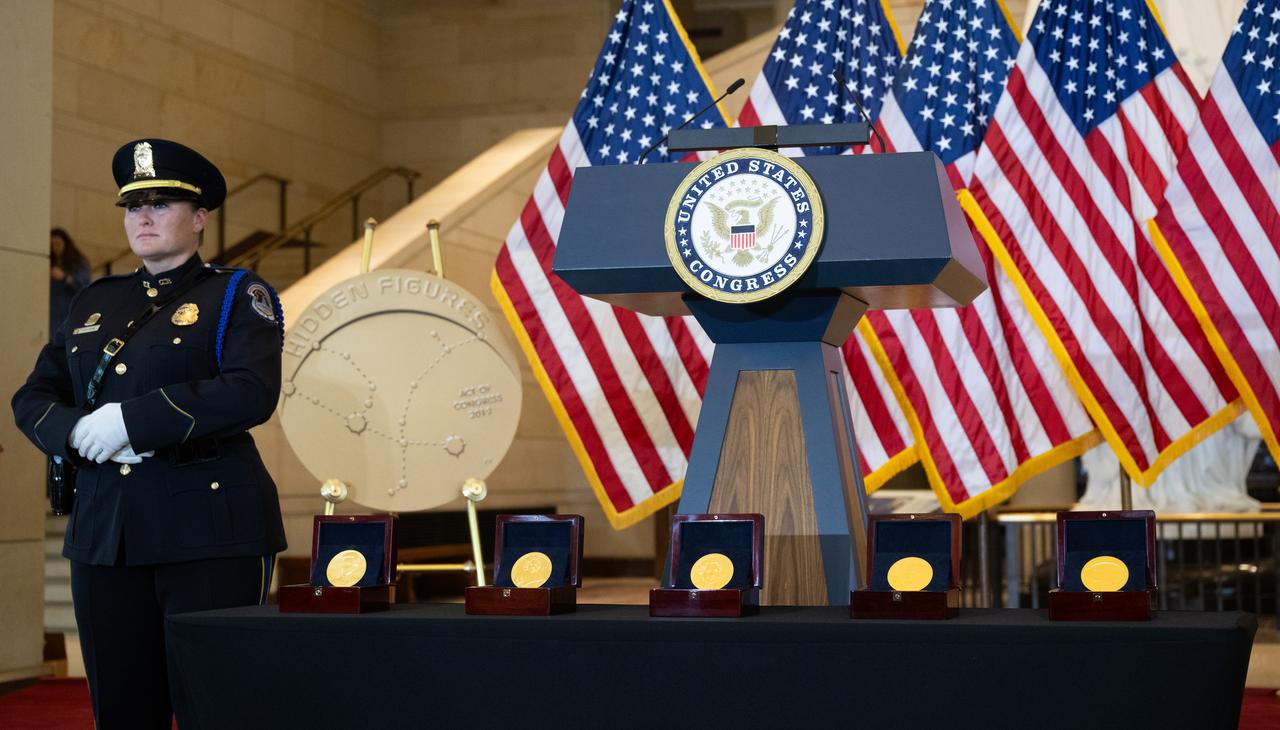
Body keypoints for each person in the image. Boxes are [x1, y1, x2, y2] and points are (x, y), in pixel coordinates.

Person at [11, 139, 287, 729]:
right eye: (133, 206)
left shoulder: (237, 294)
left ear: (200, 218)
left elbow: (249, 391)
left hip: (208, 530)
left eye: (161, 204)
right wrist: (75, 430)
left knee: (216, 703)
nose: (143, 217)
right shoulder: (95, 301)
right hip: (107, 533)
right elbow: (33, 395)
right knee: (122, 707)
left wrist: (132, 421)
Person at [48, 227, 91, 340]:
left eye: (57, 243)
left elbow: (85, 286)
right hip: (52, 313)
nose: (54, 248)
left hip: (70, 312)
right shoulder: (49, 261)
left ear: (66, 243)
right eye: (51, 244)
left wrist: (64, 277)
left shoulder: (78, 262)